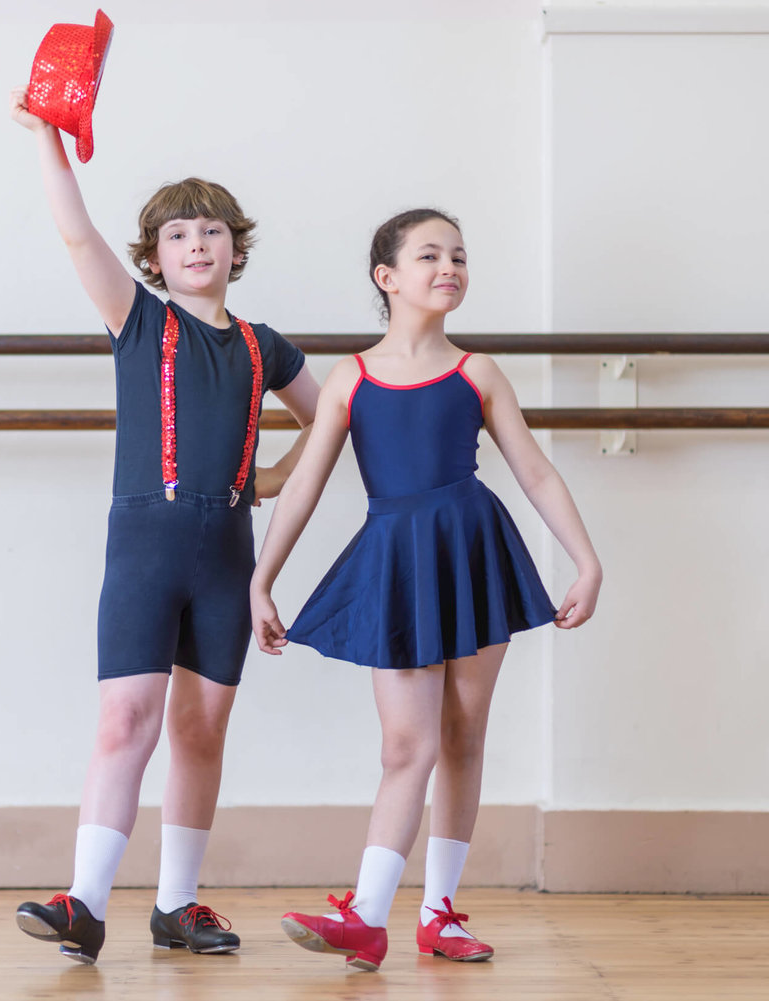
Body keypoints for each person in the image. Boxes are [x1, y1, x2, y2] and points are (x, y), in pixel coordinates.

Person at [8, 87, 322, 964]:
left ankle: (178, 904)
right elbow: (76, 234)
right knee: (125, 722)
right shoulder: (139, 320)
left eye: (212, 231)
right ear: (154, 256)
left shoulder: (266, 345)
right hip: (144, 545)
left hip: (226, 553)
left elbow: (334, 419)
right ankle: (85, 900)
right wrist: (47, 139)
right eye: (179, 235)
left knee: (199, 730)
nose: (197, 244)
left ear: (236, 247)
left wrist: (269, 478)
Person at [250, 208, 601, 970]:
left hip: (473, 550)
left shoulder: (477, 371)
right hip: (398, 561)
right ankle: (369, 912)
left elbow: (534, 468)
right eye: (430, 255)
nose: (450, 267)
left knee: (462, 737)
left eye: (460, 256)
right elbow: (305, 483)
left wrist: (585, 559)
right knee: (405, 744)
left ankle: (438, 913)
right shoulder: (352, 376)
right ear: (388, 277)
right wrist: (262, 579)